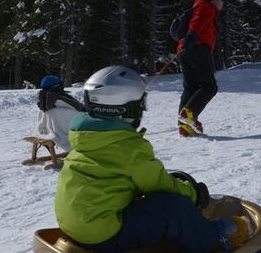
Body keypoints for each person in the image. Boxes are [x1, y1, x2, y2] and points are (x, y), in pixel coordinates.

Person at [55, 65, 249, 252]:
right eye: (141, 105)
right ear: (127, 108)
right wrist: (194, 195)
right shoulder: (128, 147)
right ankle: (214, 237)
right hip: (104, 235)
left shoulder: (86, 138)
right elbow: (160, 184)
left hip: (74, 226)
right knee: (173, 207)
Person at [177, 0, 224, 137]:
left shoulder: (197, 7)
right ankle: (188, 114)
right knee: (209, 87)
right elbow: (198, 21)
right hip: (198, 48)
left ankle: (184, 126)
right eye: (220, 0)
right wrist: (192, 37)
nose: (222, 3)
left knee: (190, 87)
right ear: (214, 0)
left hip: (184, 50)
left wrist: (188, 40)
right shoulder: (207, 8)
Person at [35, 75, 86, 153]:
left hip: (48, 130)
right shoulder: (60, 98)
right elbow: (80, 108)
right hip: (68, 130)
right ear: (56, 86)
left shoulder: (43, 100)